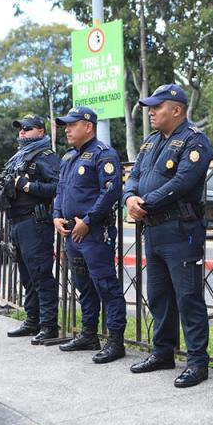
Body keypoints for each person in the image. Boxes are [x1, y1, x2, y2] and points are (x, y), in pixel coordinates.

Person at [122, 84, 213, 388]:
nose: (151, 112)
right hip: (154, 229)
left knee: (187, 296)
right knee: (158, 294)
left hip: (180, 229)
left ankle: (197, 362)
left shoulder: (194, 140)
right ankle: (162, 352)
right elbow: (134, 176)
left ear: (176, 110)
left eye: (157, 106)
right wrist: (129, 198)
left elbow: (184, 181)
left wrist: (145, 203)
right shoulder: (150, 142)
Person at [53, 106, 126, 363]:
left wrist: (88, 220)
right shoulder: (68, 157)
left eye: (72, 124)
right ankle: (89, 334)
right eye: (66, 125)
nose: (67, 129)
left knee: (105, 285)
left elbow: (111, 191)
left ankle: (115, 341)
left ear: (88, 126)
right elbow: (60, 190)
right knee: (82, 285)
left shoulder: (103, 154)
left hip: (94, 232)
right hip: (72, 233)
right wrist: (56, 216)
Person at [0, 115, 61, 345]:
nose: (22, 132)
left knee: (41, 274)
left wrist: (28, 186)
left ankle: (49, 325)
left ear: (41, 131)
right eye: (20, 128)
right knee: (27, 276)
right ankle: (33, 320)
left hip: (35, 222)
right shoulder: (20, 156)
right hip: (17, 222)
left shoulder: (46, 156)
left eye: (28, 128)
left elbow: (58, 186)